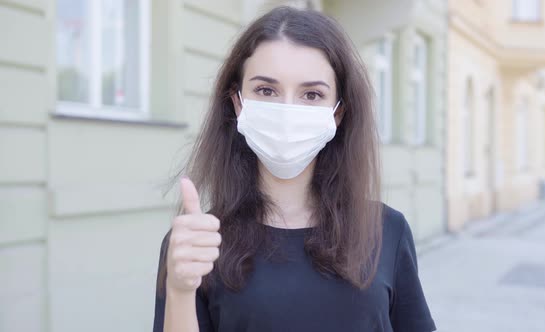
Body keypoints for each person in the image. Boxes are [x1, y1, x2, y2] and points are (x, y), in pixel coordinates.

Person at [153, 6, 436, 332]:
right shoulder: (198, 242)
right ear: (237, 102)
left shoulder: (387, 230)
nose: (287, 110)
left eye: (312, 94)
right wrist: (179, 289)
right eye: (266, 90)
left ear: (338, 113)